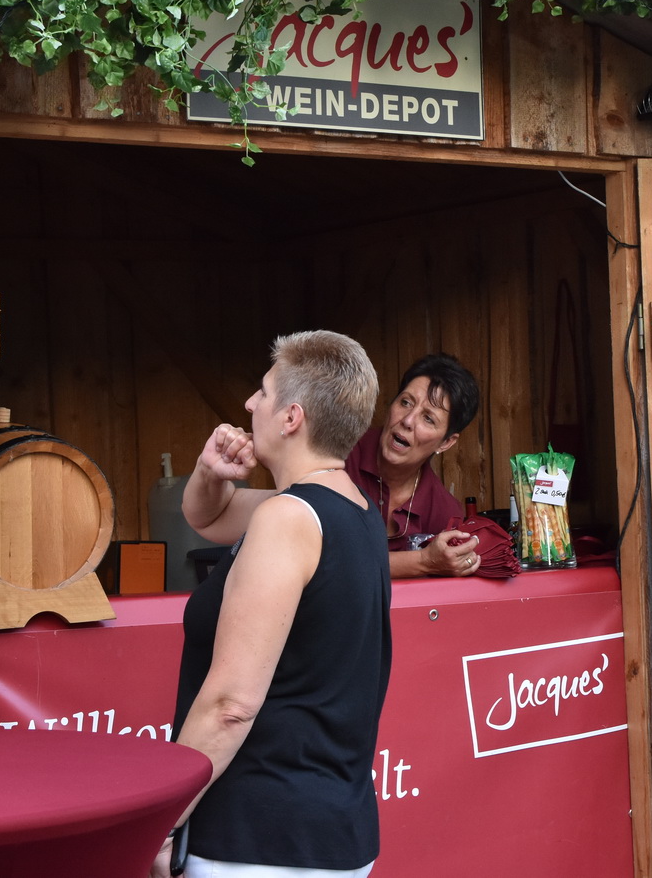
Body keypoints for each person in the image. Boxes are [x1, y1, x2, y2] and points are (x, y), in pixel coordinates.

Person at [160, 331, 390, 878]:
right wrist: (210, 470)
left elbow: (231, 704)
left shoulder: (287, 520)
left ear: (291, 417)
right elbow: (209, 517)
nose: (249, 404)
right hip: (331, 829)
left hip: (257, 838)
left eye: (262, 392)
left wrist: (164, 821)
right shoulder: (351, 508)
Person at [345, 353, 483, 579]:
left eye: (428, 418)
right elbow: (319, 559)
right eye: (406, 402)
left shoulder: (444, 512)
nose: (408, 420)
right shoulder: (338, 457)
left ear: (446, 442)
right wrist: (424, 561)